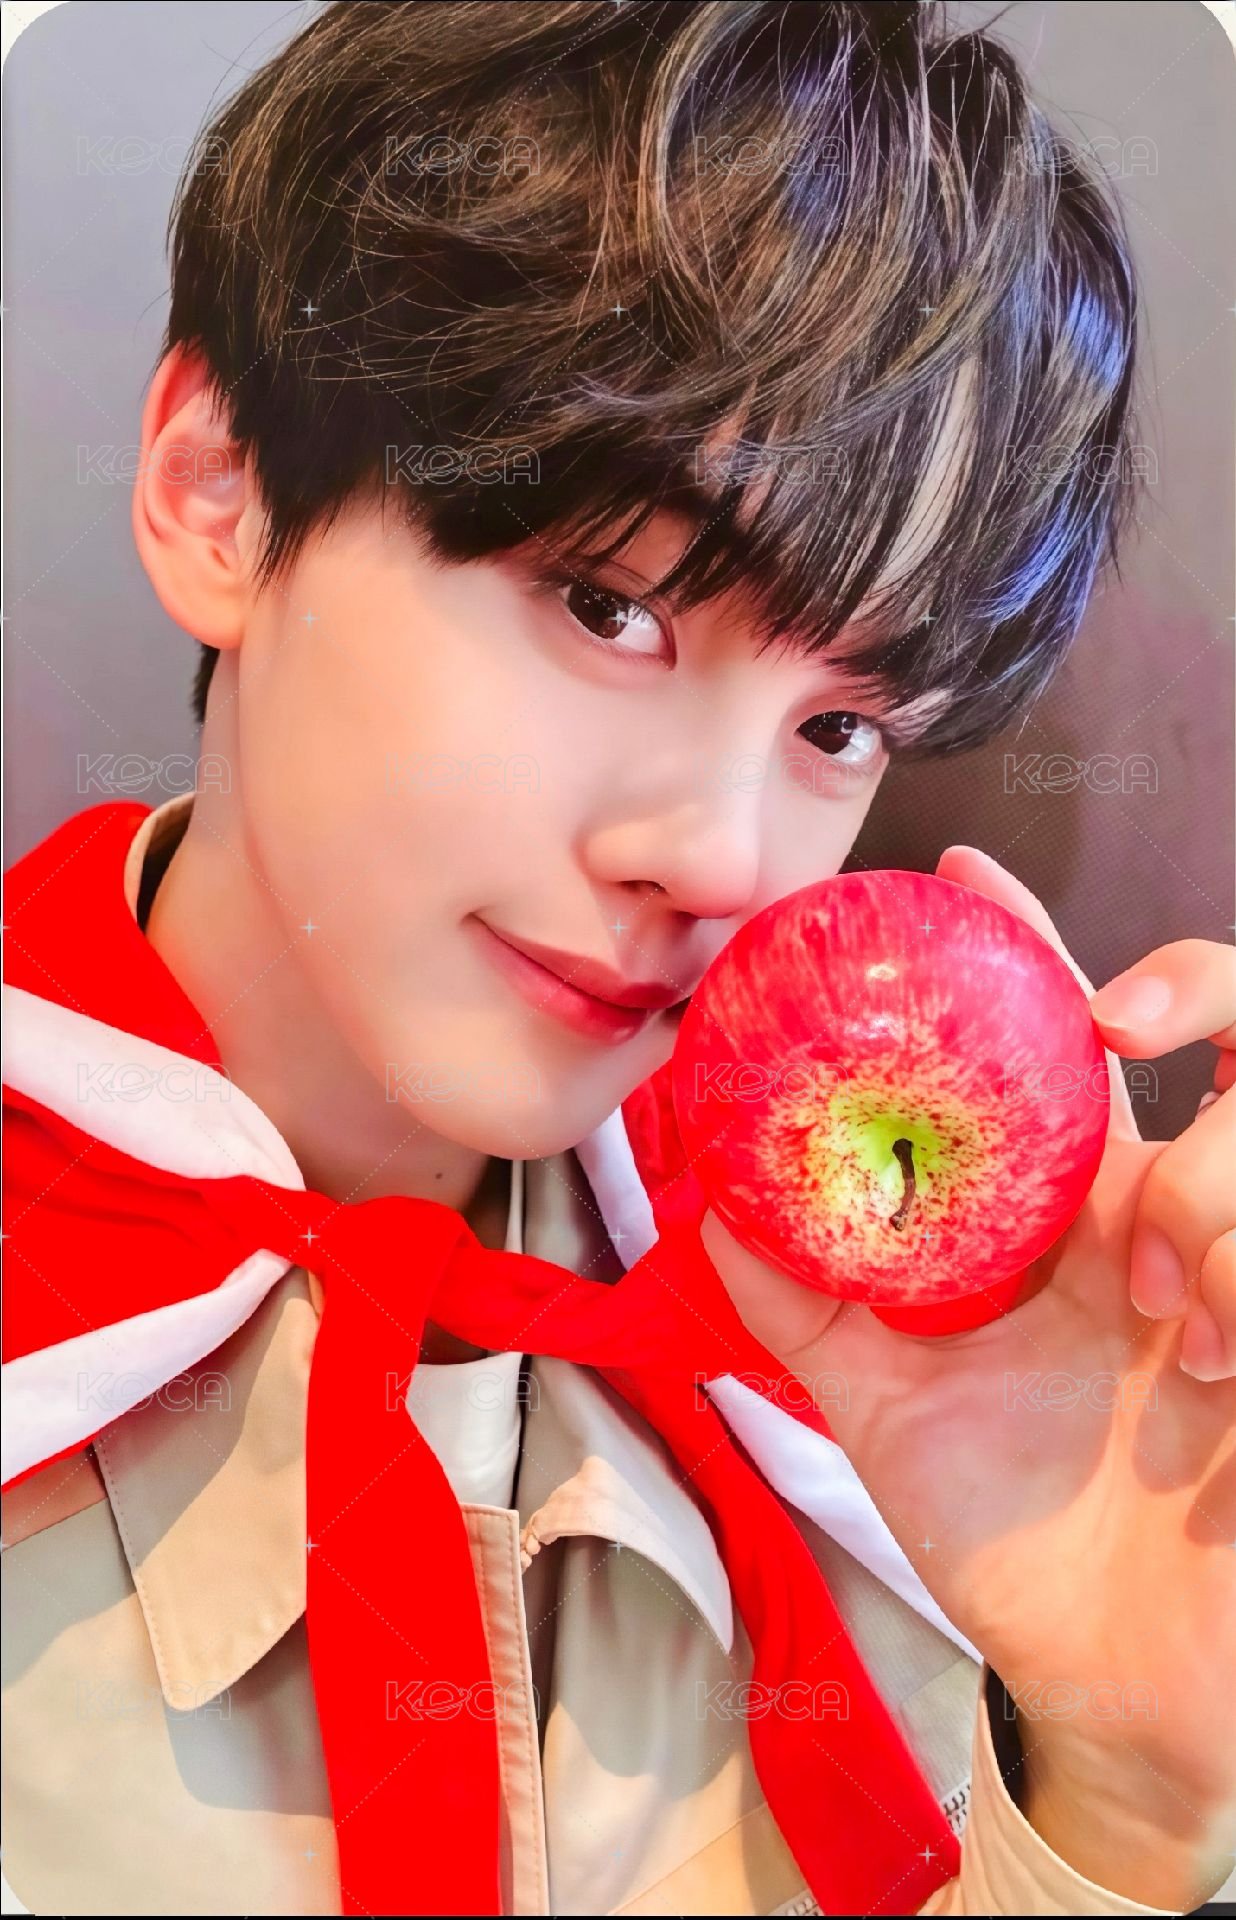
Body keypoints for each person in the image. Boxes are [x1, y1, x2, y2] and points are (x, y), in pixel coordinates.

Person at [3, 3, 1233, 1914]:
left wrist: (1131, 1802)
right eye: (608, 603)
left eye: (842, 725)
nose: (724, 857)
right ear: (220, 492)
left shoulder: (895, 1359)